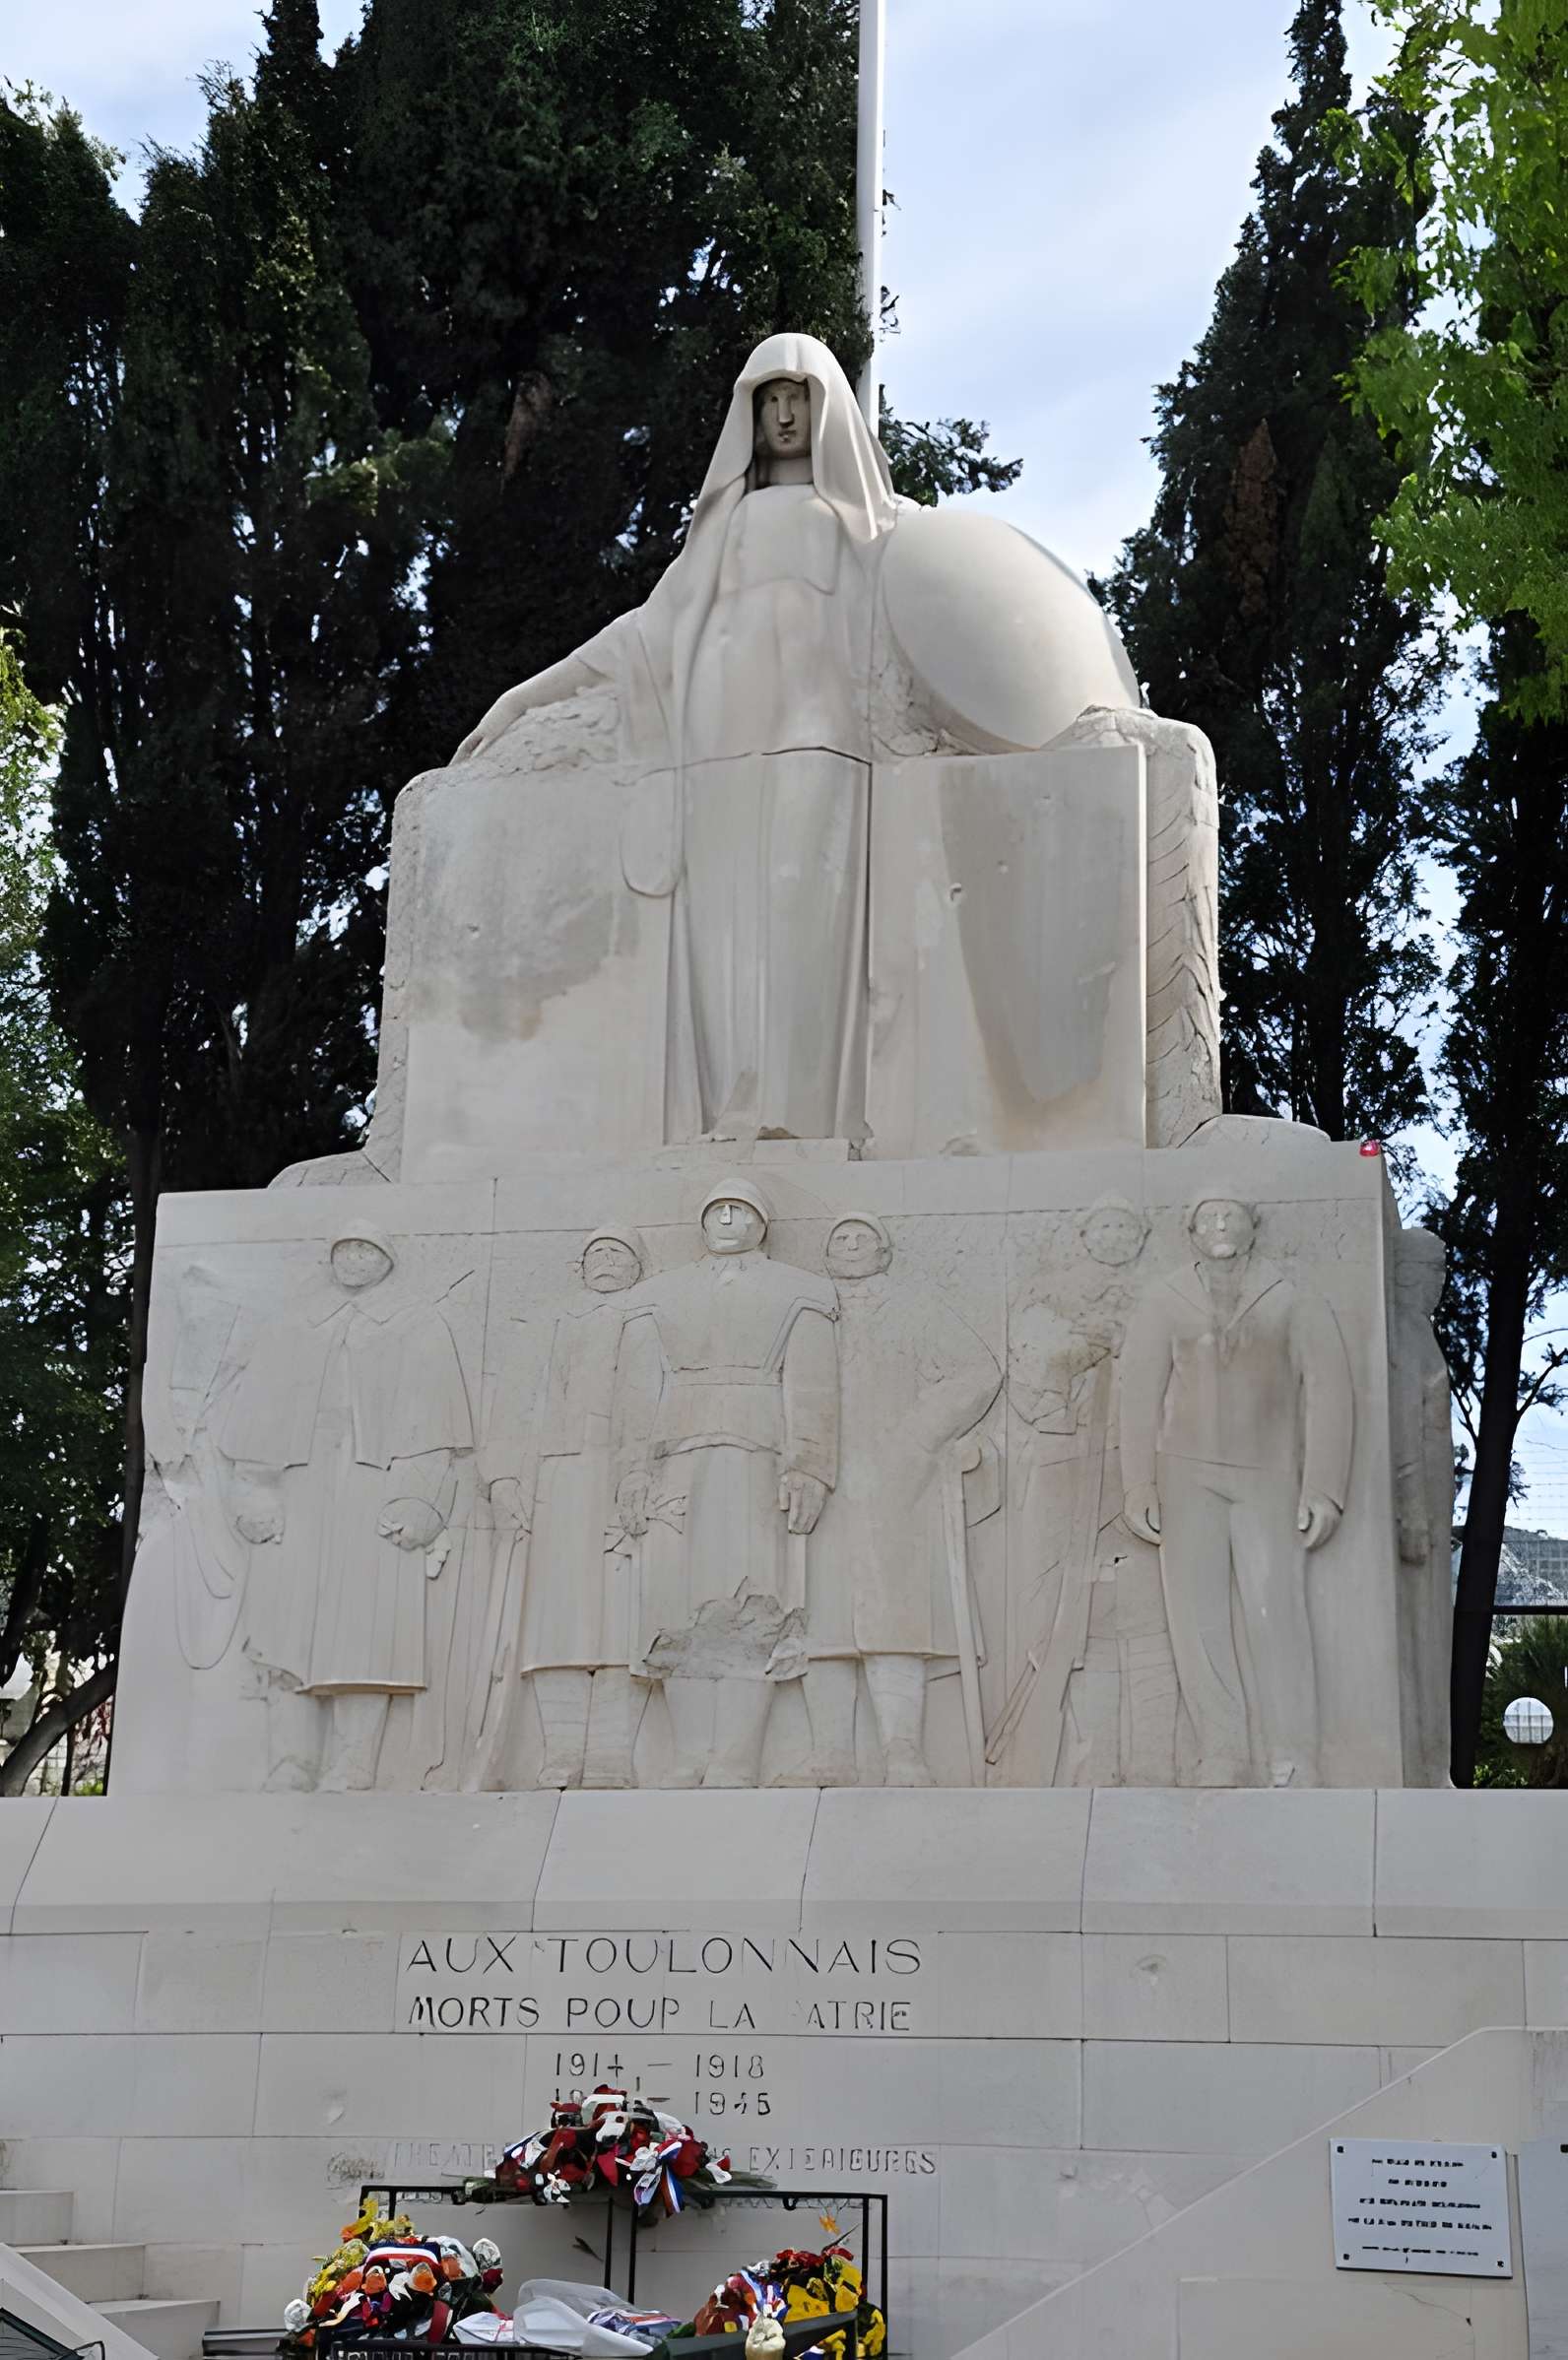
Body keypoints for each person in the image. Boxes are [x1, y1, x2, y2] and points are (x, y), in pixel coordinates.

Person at [455, 334, 898, 1147]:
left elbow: (917, 624)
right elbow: (643, 637)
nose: (788, 414)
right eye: (770, 400)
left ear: (829, 408)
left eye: (800, 396)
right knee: (724, 928)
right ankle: (734, 1103)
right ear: (750, 414)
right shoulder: (723, 529)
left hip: (818, 738)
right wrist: (522, 696)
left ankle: (798, 1111)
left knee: (804, 909)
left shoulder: (872, 530)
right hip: (718, 741)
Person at [219, 1228, 473, 1792]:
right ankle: (292, 1760)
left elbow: (436, 1426)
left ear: (388, 1257)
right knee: (286, 1626)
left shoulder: (417, 1323)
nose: (356, 1259)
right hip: (302, 1488)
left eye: (368, 1249)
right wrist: (253, 1490)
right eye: (346, 1248)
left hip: (377, 1491)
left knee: (369, 1627)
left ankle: (356, 1759)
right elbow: (258, 1419)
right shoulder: (295, 1325)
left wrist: (421, 1500)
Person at [1118, 1198, 1352, 1788]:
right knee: (1197, 1618)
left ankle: (1292, 1752)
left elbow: (1329, 1392)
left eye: (1232, 1215)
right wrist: (1138, 1481)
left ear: (1254, 1226)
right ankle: (1219, 1750)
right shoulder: (1165, 1300)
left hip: (1267, 1472)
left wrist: (1323, 1486)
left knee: (1275, 1613)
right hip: (1184, 1471)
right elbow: (1139, 1393)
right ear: (1191, 1230)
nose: (1221, 1225)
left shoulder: (1292, 1298)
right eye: (1209, 1217)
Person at [612, 1178, 838, 1787]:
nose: (729, 1218)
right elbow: (636, 1393)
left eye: (741, 1209)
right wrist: (632, 1470)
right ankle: (689, 1752)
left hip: (757, 1454)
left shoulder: (800, 1293)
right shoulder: (657, 1297)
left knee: (751, 1599)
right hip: (676, 1456)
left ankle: (736, 1756)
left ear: (763, 1223)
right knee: (674, 1602)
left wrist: (811, 1464)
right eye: (718, 1209)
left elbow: (813, 1387)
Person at [809, 1214, 1001, 1784]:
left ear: (885, 1251)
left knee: (895, 1613)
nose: (849, 1246)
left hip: (895, 1476)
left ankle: (902, 1749)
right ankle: (830, 1753)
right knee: (820, 1613)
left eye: (861, 1238)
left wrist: (919, 1434)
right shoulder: (809, 1309)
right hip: (816, 1475)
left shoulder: (915, 1308)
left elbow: (975, 1371)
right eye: (838, 1238)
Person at [485, 1227, 648, 1789]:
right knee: (558, 1619)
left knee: (622, 1620)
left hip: (628, 1479)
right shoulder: (548, 1325)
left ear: (637, 1270)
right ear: (579, 1268)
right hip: (555, 1479)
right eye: (595, 1254)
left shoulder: (649, 1320)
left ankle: (609, 1754)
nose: (605, 1262)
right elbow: (513, 1400)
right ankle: (560, 1750)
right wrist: (504, 1476)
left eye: (618, 1254)